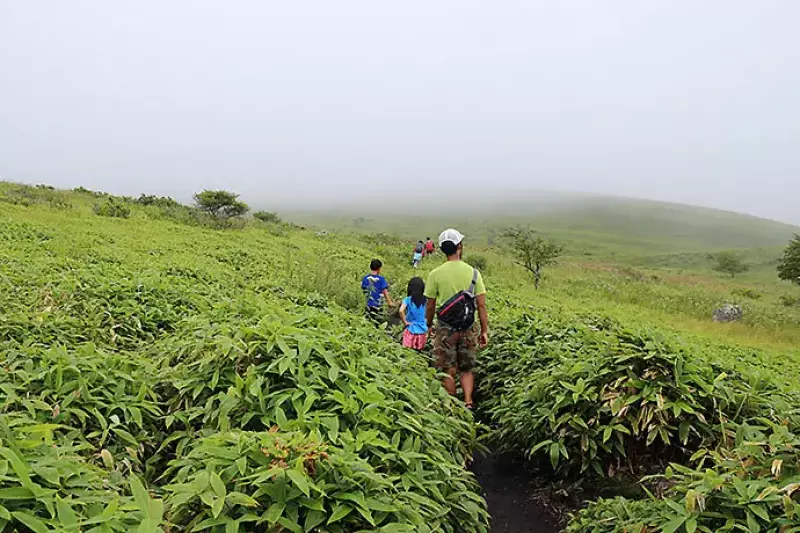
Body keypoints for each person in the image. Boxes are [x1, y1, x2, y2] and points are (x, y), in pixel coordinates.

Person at [424, 229, 488, 409]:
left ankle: (452, 406)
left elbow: (430, 305)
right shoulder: (473, 273)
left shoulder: (435, 274)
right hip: (468, 327)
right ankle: (468, 401)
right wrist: (484, 331)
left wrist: (428, 326)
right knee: (466, 368)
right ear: (459, 246)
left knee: (448, 369)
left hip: (445, 328)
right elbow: (481, 305)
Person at [399, 277, 429, 351]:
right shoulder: (426, 300)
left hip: (411, 328)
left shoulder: (408, 300)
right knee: (419, 351)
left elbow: (401, 311)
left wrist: (405, 322)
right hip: (422, 330)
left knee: (407, 351)